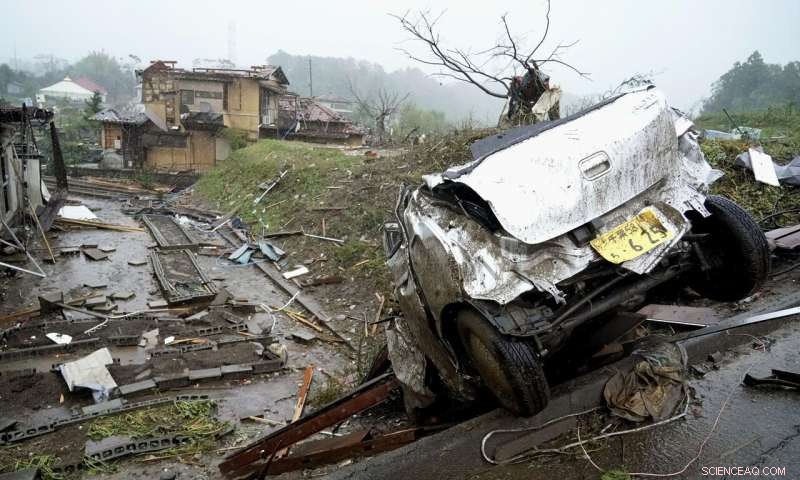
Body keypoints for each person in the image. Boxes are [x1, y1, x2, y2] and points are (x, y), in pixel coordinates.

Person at [499, 62, 561, 127]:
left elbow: (546, 89)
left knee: (549, 114)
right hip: (527, 103)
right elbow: (512, 103)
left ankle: (555, 123)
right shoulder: (518, 88)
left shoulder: (541, 84)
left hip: (546, 96)